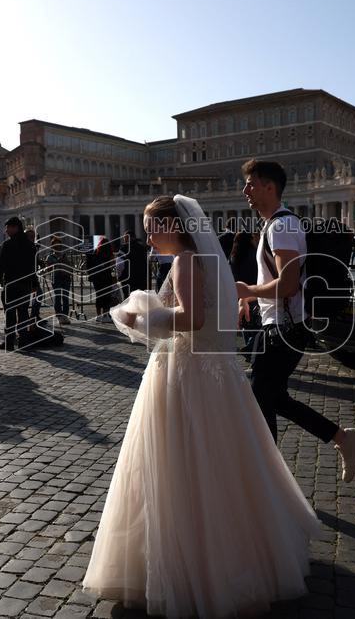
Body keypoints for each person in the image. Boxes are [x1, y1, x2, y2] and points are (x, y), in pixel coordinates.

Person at [83, 195, 321, 617]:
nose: (148, 237)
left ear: (174, 227)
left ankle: (193, 564)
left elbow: (191, 319)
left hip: (188, 371)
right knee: (222, 462)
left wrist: (142, 318)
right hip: (214, 372)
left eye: (152, 229)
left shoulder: (185, 262)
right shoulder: (207, 260)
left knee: (182, 463)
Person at [235, 159, 355, 480]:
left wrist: (248, 290)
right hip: (281, 326)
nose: (245, 190)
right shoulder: (276, 225)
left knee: (260, 399)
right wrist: (250, 297)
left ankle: (267, 479)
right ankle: (342, 439)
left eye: (251, 184)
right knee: (273, 398)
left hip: (283, 329)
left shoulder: (281, 227)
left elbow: (288, 284)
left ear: (269, 187)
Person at [0, 217, 36, 350]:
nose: (6, 231)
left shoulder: (7, 245)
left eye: (8, 228)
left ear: (16, 228)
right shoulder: (30, 245)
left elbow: (0, 265)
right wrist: (34, 285)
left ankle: (9, 342)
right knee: (23, 313)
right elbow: (33, 267)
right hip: (25, 285)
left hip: (11, 284)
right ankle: (23, 341)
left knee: (10, 314)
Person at [229, 230, 259, 350]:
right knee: (256, 324)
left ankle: (249, 346)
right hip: (254, 292)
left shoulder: (233, 256)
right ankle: (252, 348)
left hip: (239, 293)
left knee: (245, 323)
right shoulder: (255, 254)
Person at [87, 238, 116, 323]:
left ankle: (98, 315)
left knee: (99, 296)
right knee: (106, 296)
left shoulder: (95, 253)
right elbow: (112, 265)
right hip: (106, 277)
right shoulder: (109, 253)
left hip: (97, 277)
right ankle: (105, 315)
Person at [46, 236, 73, 323]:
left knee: (65, 297)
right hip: (56, 278)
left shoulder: (65, 255)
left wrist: (65, 261)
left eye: (59, 245)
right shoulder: (50, 257)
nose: (58, 247)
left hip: (66, 277)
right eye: (56, 246)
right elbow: (48, 269)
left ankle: (65, 316)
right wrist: (57, 263)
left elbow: (70, 267)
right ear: (52, 247)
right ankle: (59, 316)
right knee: (58, 296)